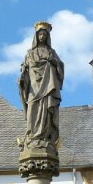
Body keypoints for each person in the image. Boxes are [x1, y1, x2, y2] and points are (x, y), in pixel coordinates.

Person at [18, 22, 64, 150]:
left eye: (44, 34)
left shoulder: (51, 52)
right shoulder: (29, 54)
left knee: (47, 110)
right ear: (36, 36)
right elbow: (25, 72)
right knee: (32, 106)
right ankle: (32, 136)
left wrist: (54, 63)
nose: (42, 36)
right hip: (33, 88)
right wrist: (22, 79)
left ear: (47, 36)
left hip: (48, 88)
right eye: (40, 34)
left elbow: (60, 67)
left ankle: (45, 136)